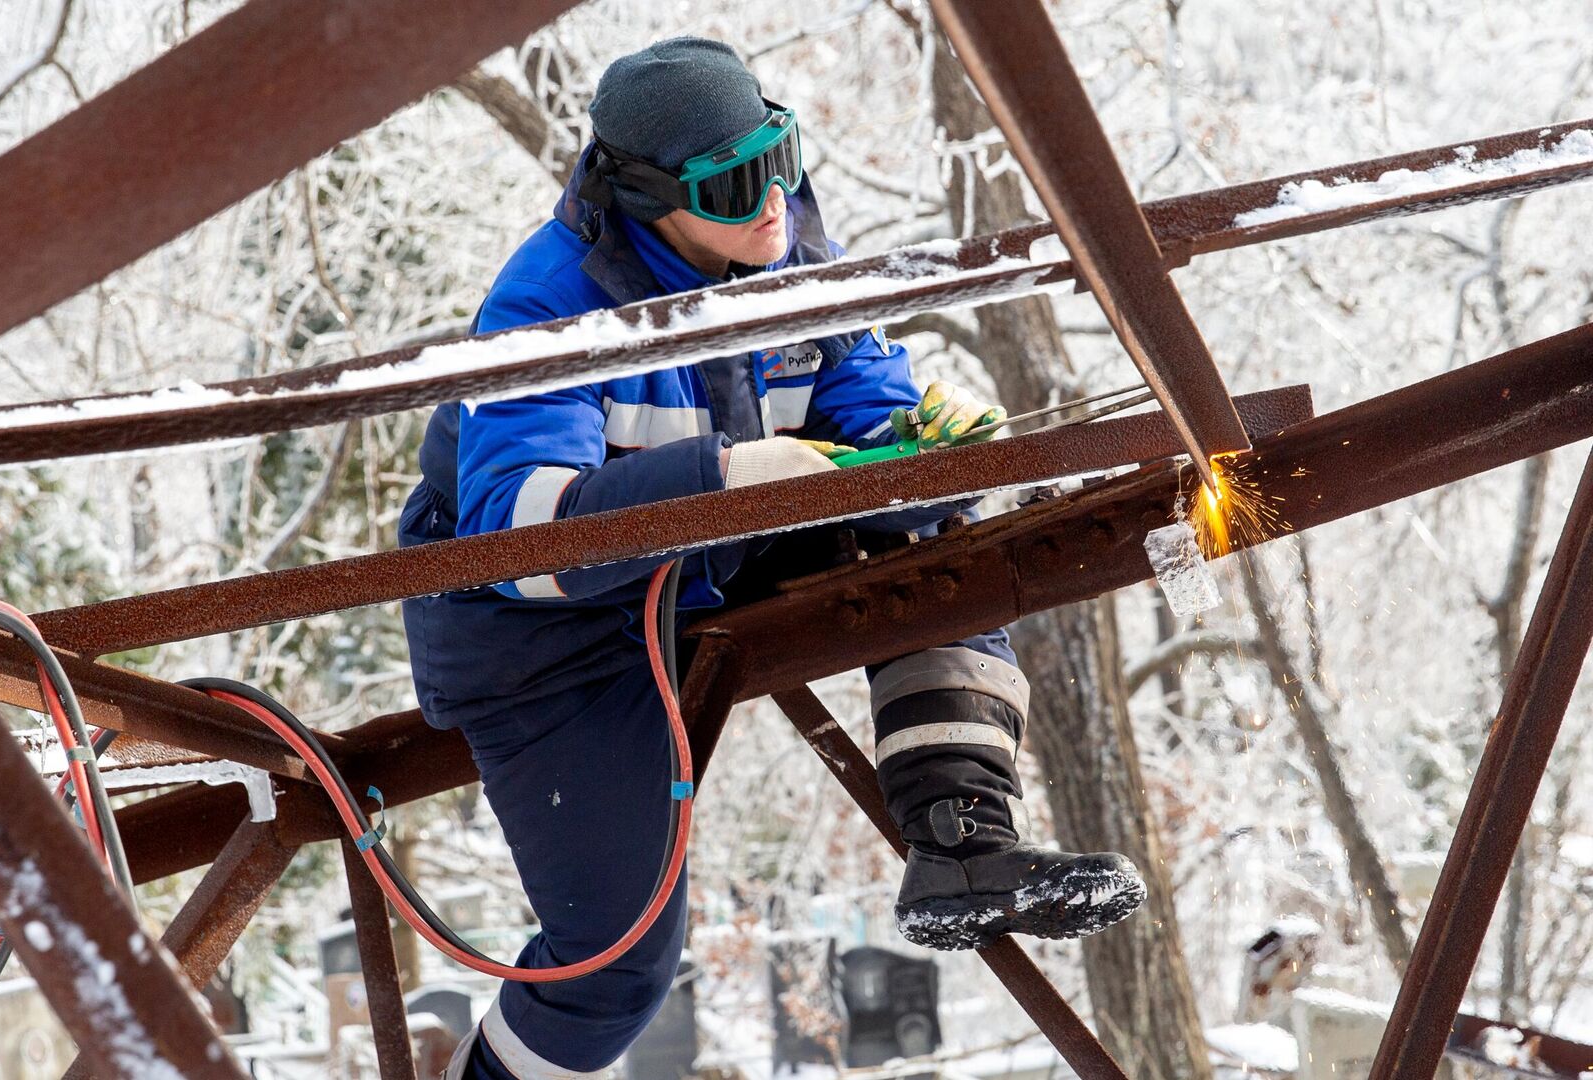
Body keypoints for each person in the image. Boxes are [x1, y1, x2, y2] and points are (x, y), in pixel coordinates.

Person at [398, 36, 1146, 1078]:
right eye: (739, 181)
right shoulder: (548, 306)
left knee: (936, 538)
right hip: (542, 629)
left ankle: (960, 837)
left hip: (713, 557)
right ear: (650, 196)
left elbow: (869, 409)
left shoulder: (792, 252)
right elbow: (520, 540)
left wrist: (928, 451)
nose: (773, 200)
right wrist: (725, 476)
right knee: (615, 966)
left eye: (781, 155)